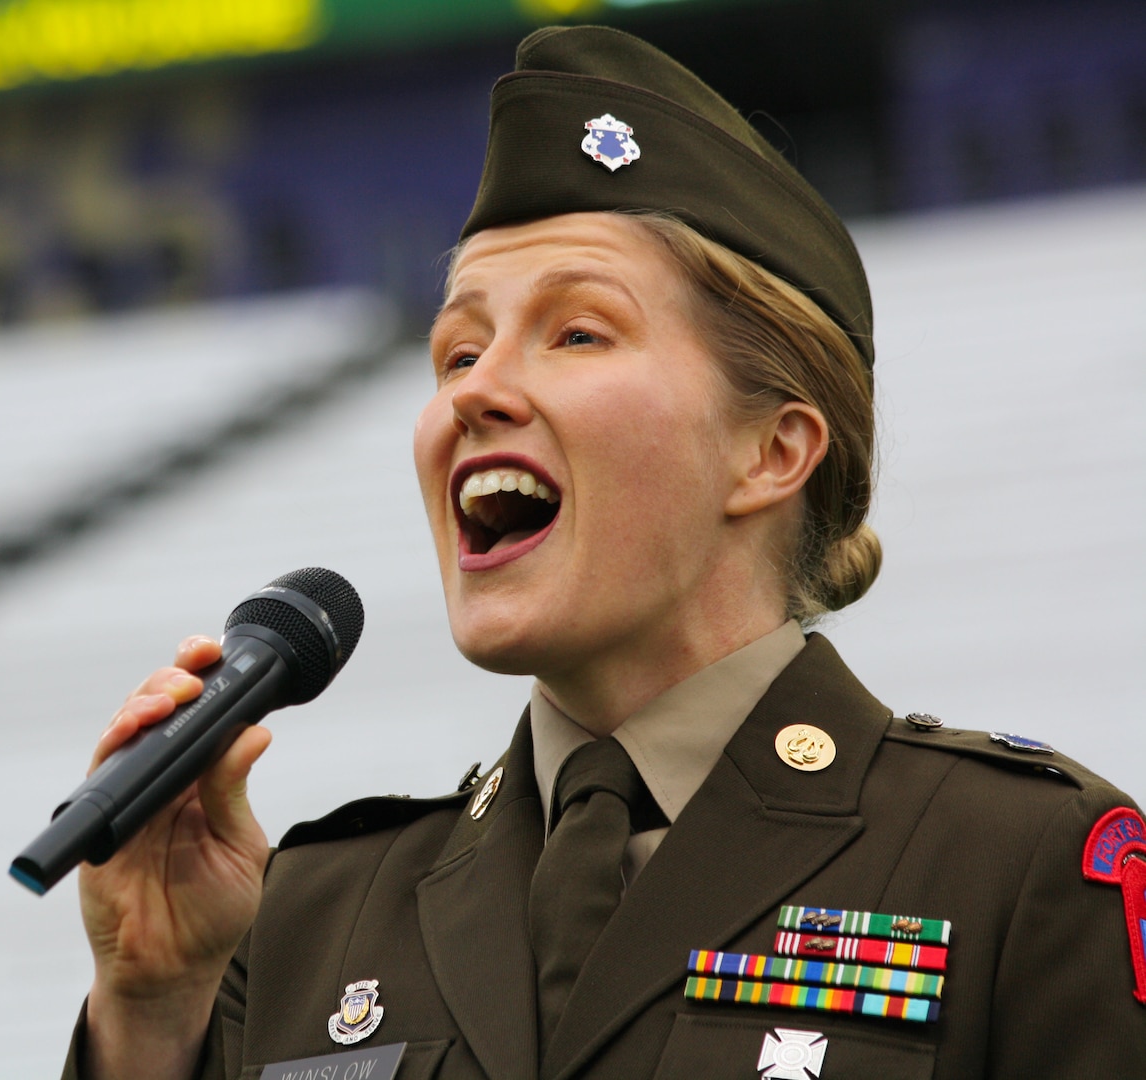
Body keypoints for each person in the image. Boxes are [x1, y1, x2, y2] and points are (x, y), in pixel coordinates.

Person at [60, 26, 1146, 1080]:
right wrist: (151, 1020)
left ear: (771, 451)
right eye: (458, 350)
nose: (474, 391)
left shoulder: (1023, 865)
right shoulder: (310, 915)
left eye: (577, 332)